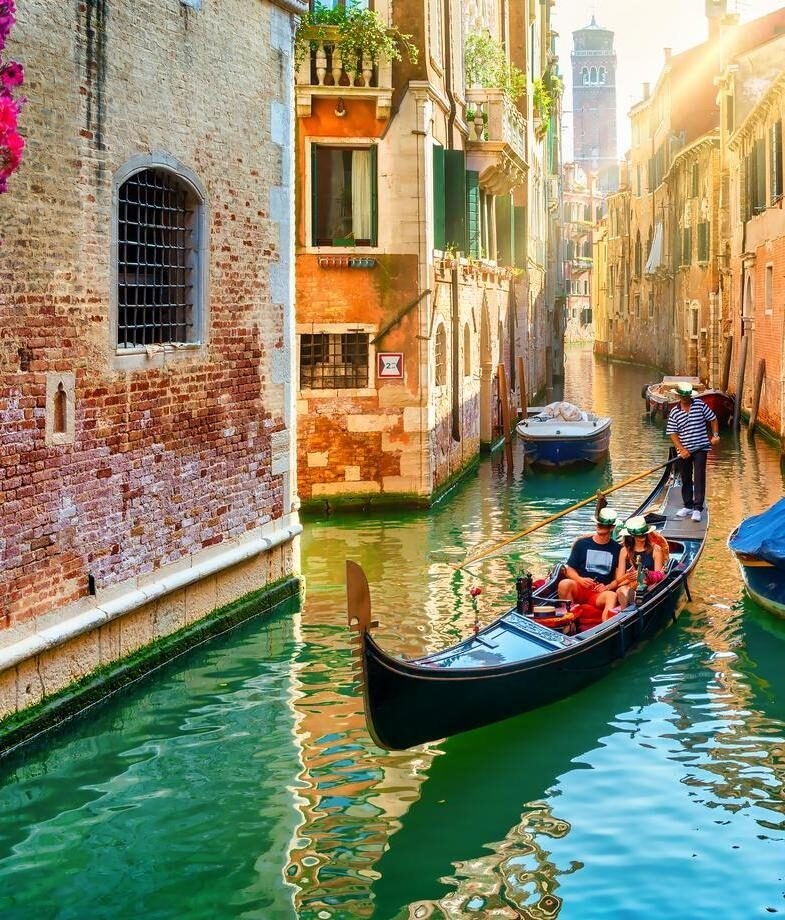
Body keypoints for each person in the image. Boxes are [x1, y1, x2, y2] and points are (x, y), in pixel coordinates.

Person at [557, 507, 635, 621]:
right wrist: (580, 580)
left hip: (599, 593)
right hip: (580, 587)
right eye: (599, 524)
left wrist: (607, 587)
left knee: (611, 596)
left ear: (612, 528)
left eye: (604, 525)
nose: (600, 526)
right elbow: (570, 570)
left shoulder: (617, 549)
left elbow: (619, 577)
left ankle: (605, 627)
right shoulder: (581, 544)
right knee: (564, 583)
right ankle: (569, 621)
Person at [666, 380, 720, 523]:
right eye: (683, 396)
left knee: (699, 476)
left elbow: (713, 419)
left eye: (687, 396)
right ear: (679, 396)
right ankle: (688, 505)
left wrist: (715, 435)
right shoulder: (674, 412)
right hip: (683, 450)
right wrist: (682, 449)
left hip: (701, 447)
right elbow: (673, 433)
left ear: (690, 395)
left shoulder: (700, 405)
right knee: (685, 477)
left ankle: (697, 508)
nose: (685, 399)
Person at [614, 515, 666, 608]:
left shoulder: (656, 549)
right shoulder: (624, 551)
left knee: (639, 589)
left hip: (649, 586)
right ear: (632, 535)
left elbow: (659, 575)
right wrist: (629, 576)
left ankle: (630, 601)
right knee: (622, 590)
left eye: (644, 533)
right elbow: (619, 579)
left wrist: (642, 575)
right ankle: (628, 602)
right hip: (629, 584)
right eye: (639, 534)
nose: (642, 536)